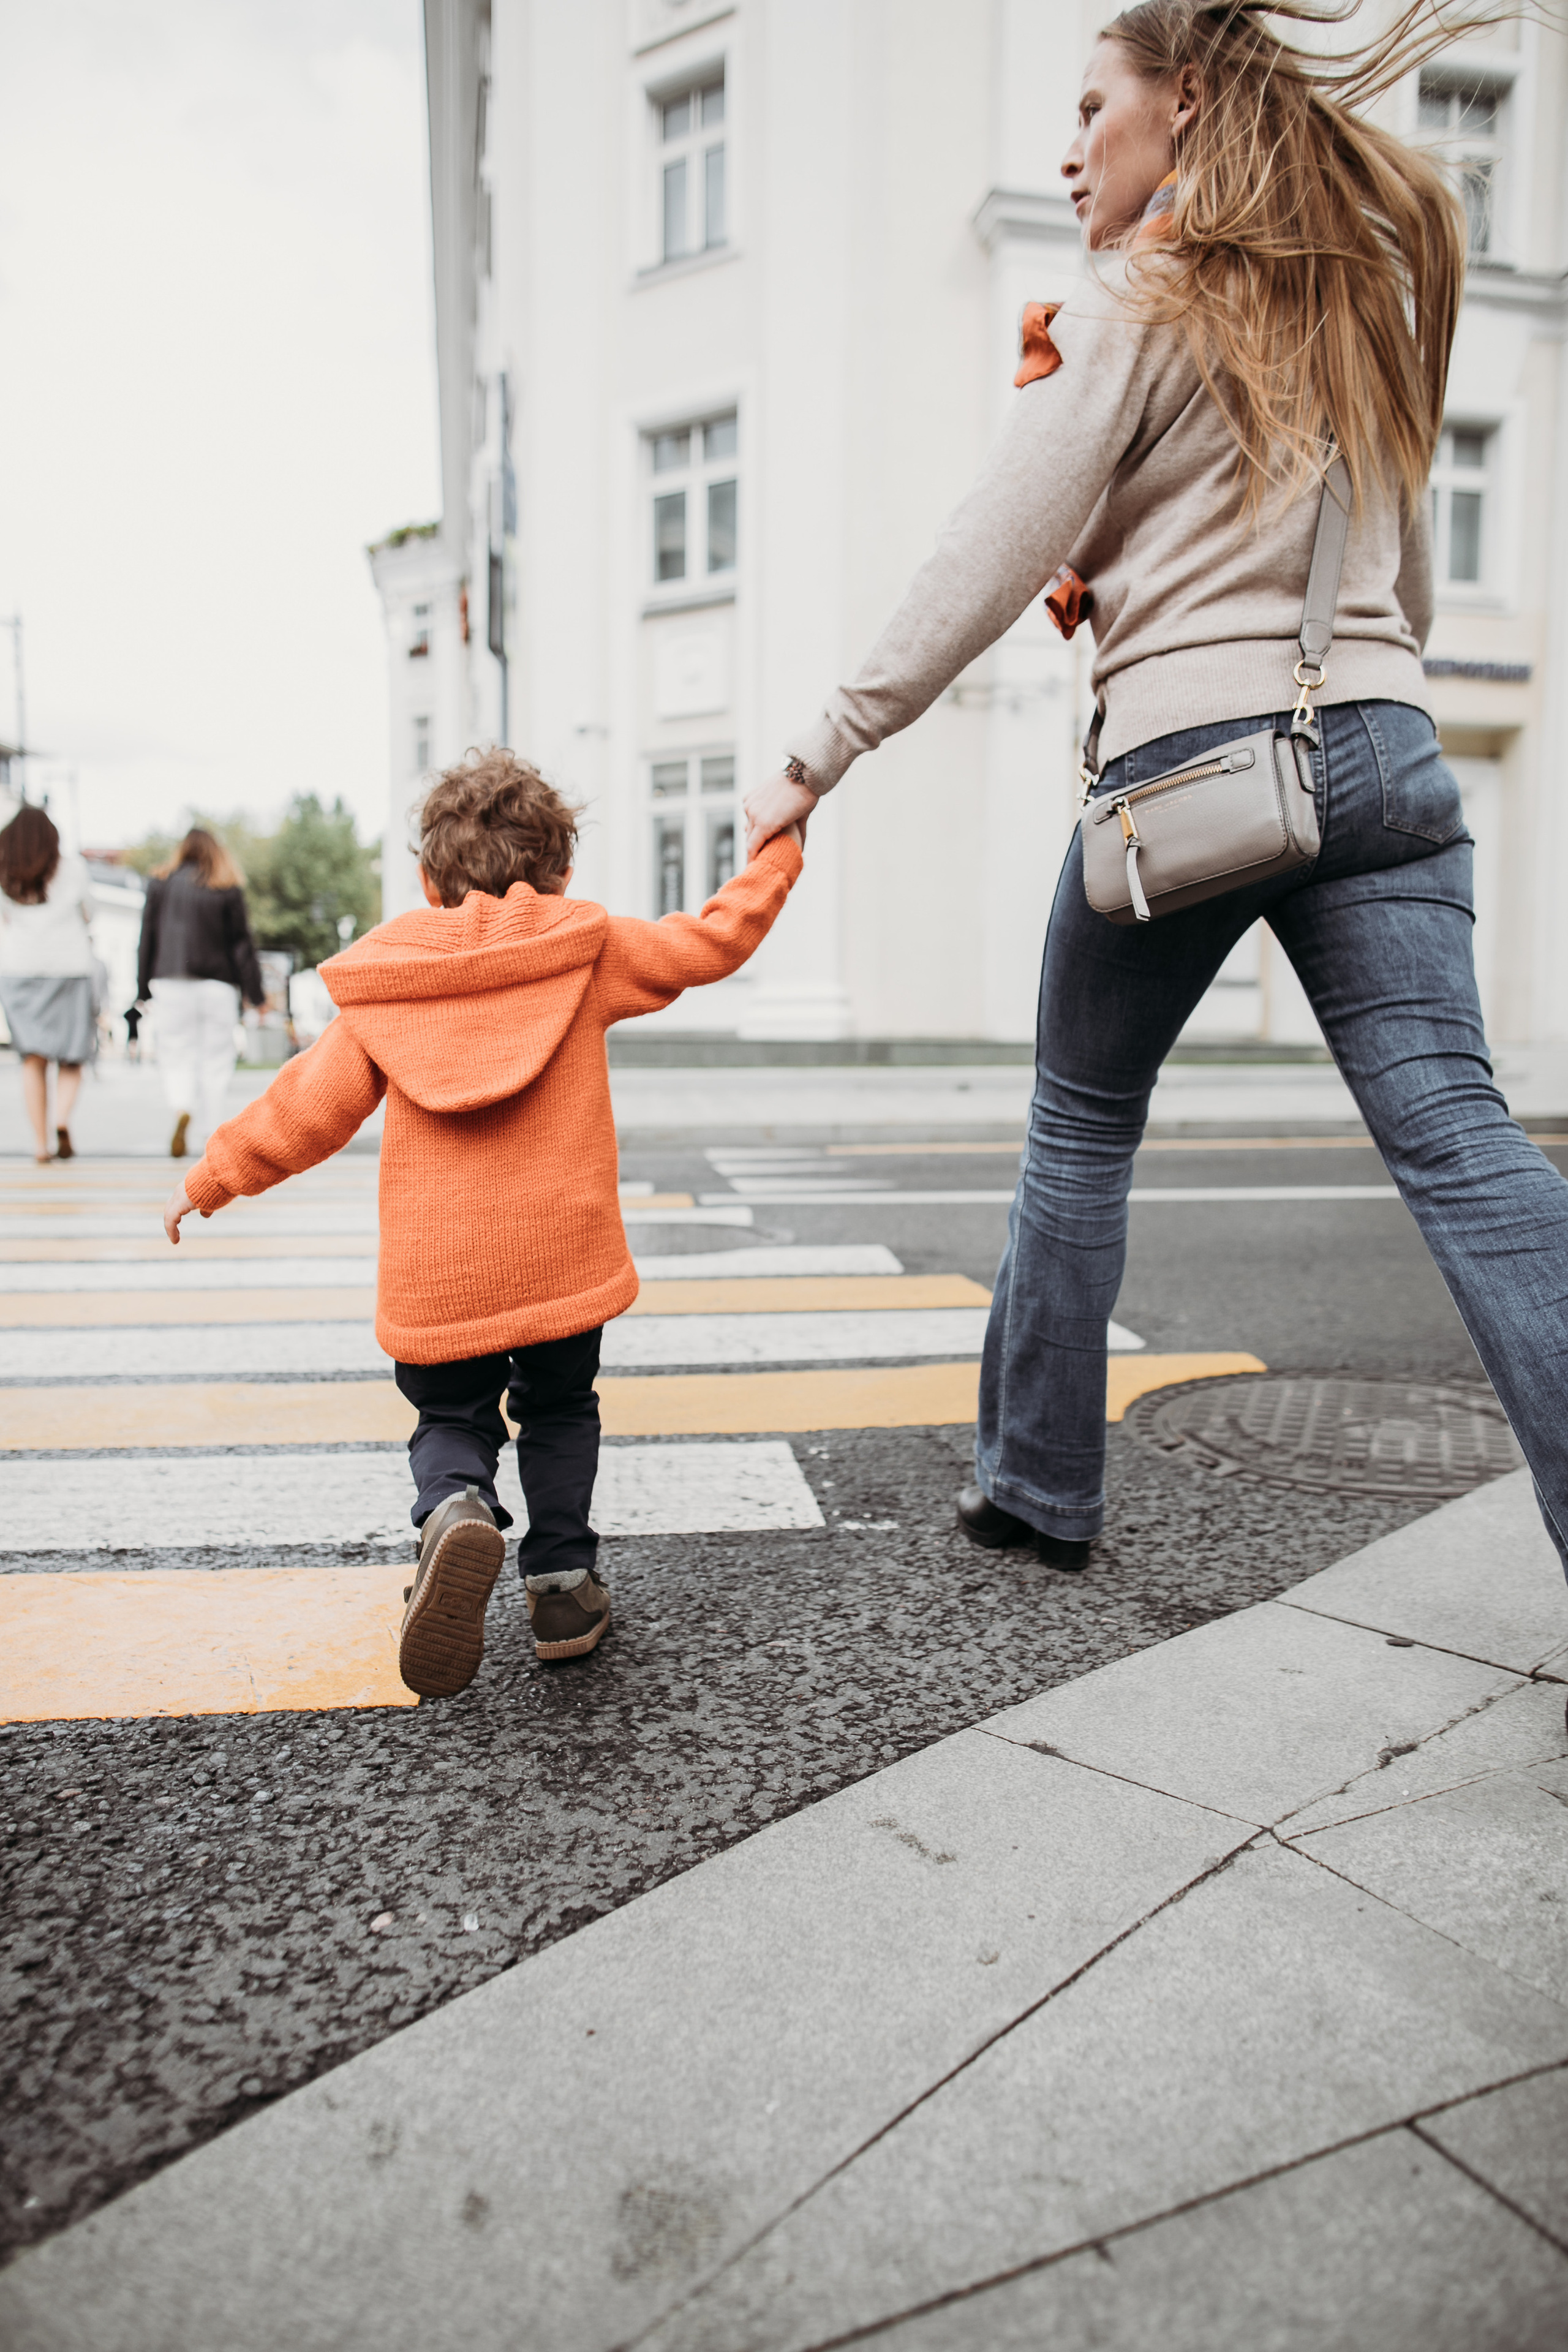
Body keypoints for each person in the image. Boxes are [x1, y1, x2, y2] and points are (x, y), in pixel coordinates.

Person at [744, 0, 1568, 1590]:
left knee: (1078, 1122)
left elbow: (988, 549)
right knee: (1461, 1141)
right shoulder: (1351, 301)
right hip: (1383, 752)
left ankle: (1036, 1488)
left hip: (1186, 775)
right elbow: (1403, 587)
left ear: (1183, 102)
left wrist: (818, 755)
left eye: (1090, 109)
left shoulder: (1139, 293)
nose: (1068, 150)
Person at [161, 749, 804, 1695]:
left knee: (449, 1416)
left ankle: (455, 1506)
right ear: (561, 873)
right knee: (560, 1408)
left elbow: (307, 1109)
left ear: (428, 881)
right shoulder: (585, 948)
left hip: (439, 1272)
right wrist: (780, 847)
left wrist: (211, 1178)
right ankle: (562, 1588)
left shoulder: (391, 984)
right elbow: (713, 940)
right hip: (560, 1260)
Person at [135, 826, 266, 1158]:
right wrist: (256, 994)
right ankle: (213, 1133)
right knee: (216, 1060)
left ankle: (182, 1107)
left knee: (175, 1053)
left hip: (171, 981)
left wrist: (142, 988)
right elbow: (242, 944)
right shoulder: (226, 886)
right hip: (218, 985)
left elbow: (147, 937)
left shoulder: (161, 883)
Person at [0, 803, 96, 1163]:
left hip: (19, 969)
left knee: (33, 1058)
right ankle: (61, 1119)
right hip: (69, 967)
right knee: (72, 1056)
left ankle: (40, 1144)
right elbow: (89, 913)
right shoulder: (73, 868)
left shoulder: (4, 870)